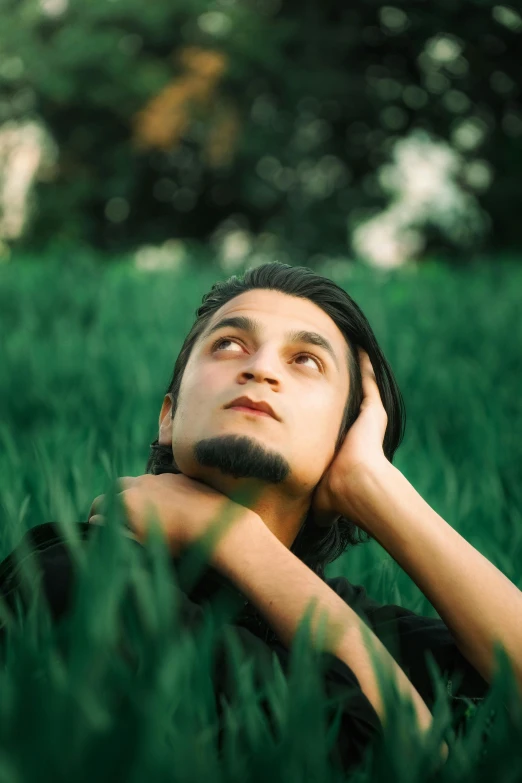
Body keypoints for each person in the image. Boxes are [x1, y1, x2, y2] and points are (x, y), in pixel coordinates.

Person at [2, 262, 518, 772]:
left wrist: (374, 486)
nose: (261, 369)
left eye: (307, 360)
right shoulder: (79, 574)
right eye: (228, 345)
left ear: (344, 440)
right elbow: (410, 761)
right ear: (168, 416)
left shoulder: (358, 621)